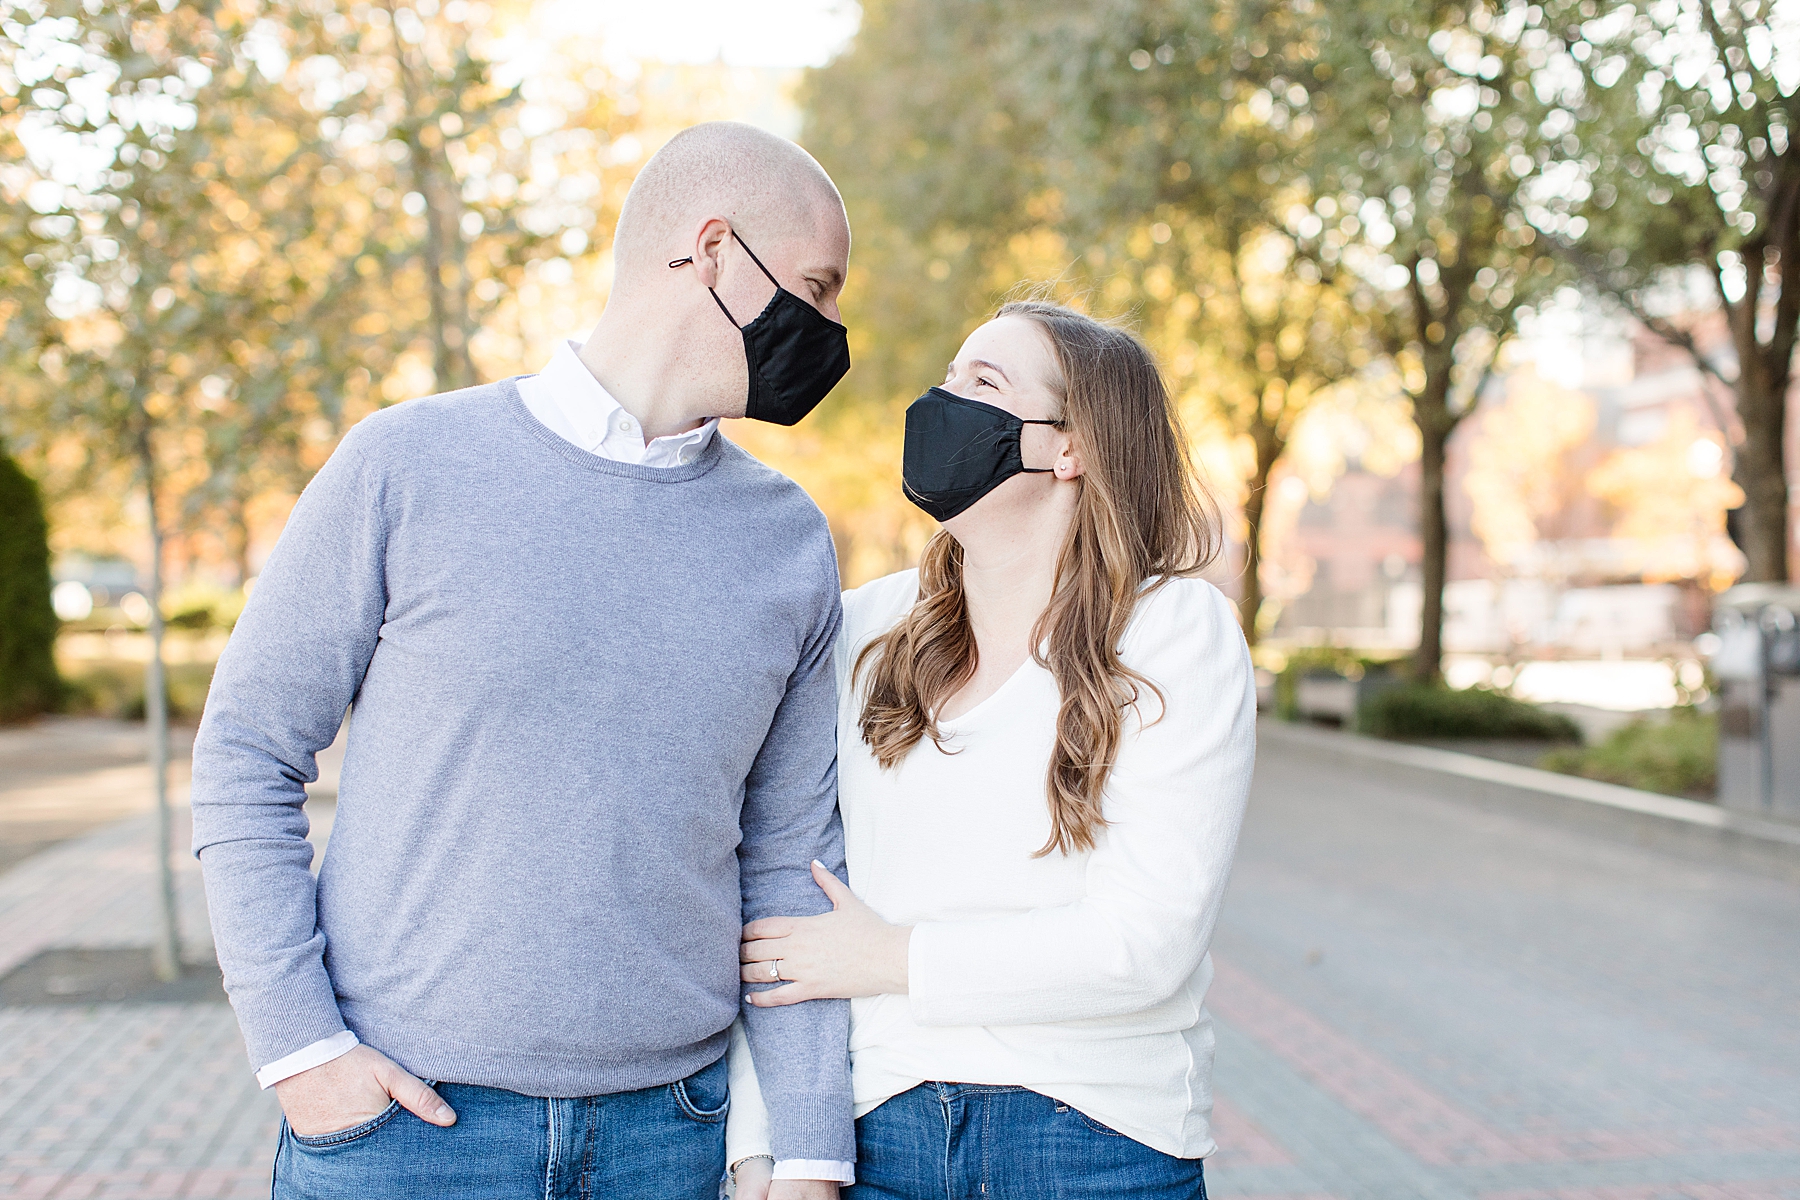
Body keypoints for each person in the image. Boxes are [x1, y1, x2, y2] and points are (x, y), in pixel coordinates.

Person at [190, 122, 859, 1200]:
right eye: (819, 289)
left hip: (671, 1139)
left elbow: (790, 863)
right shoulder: (406, 465)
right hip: (406, 1135)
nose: (830, 331)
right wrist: (301, 1053)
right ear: (716, 251)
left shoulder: (789, 541)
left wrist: (811, 1152)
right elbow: (246, 754)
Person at [722, 300, 1256, 1200]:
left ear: (1070, 446)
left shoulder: (1173, 634)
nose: (941, 404)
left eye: (983, 384)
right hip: (877, 1133)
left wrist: (891, 960)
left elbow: (1144, 943)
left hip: (1092, 1139)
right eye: (946, 378)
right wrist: (764, 1151)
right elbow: (781, 896)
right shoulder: (863, 630)